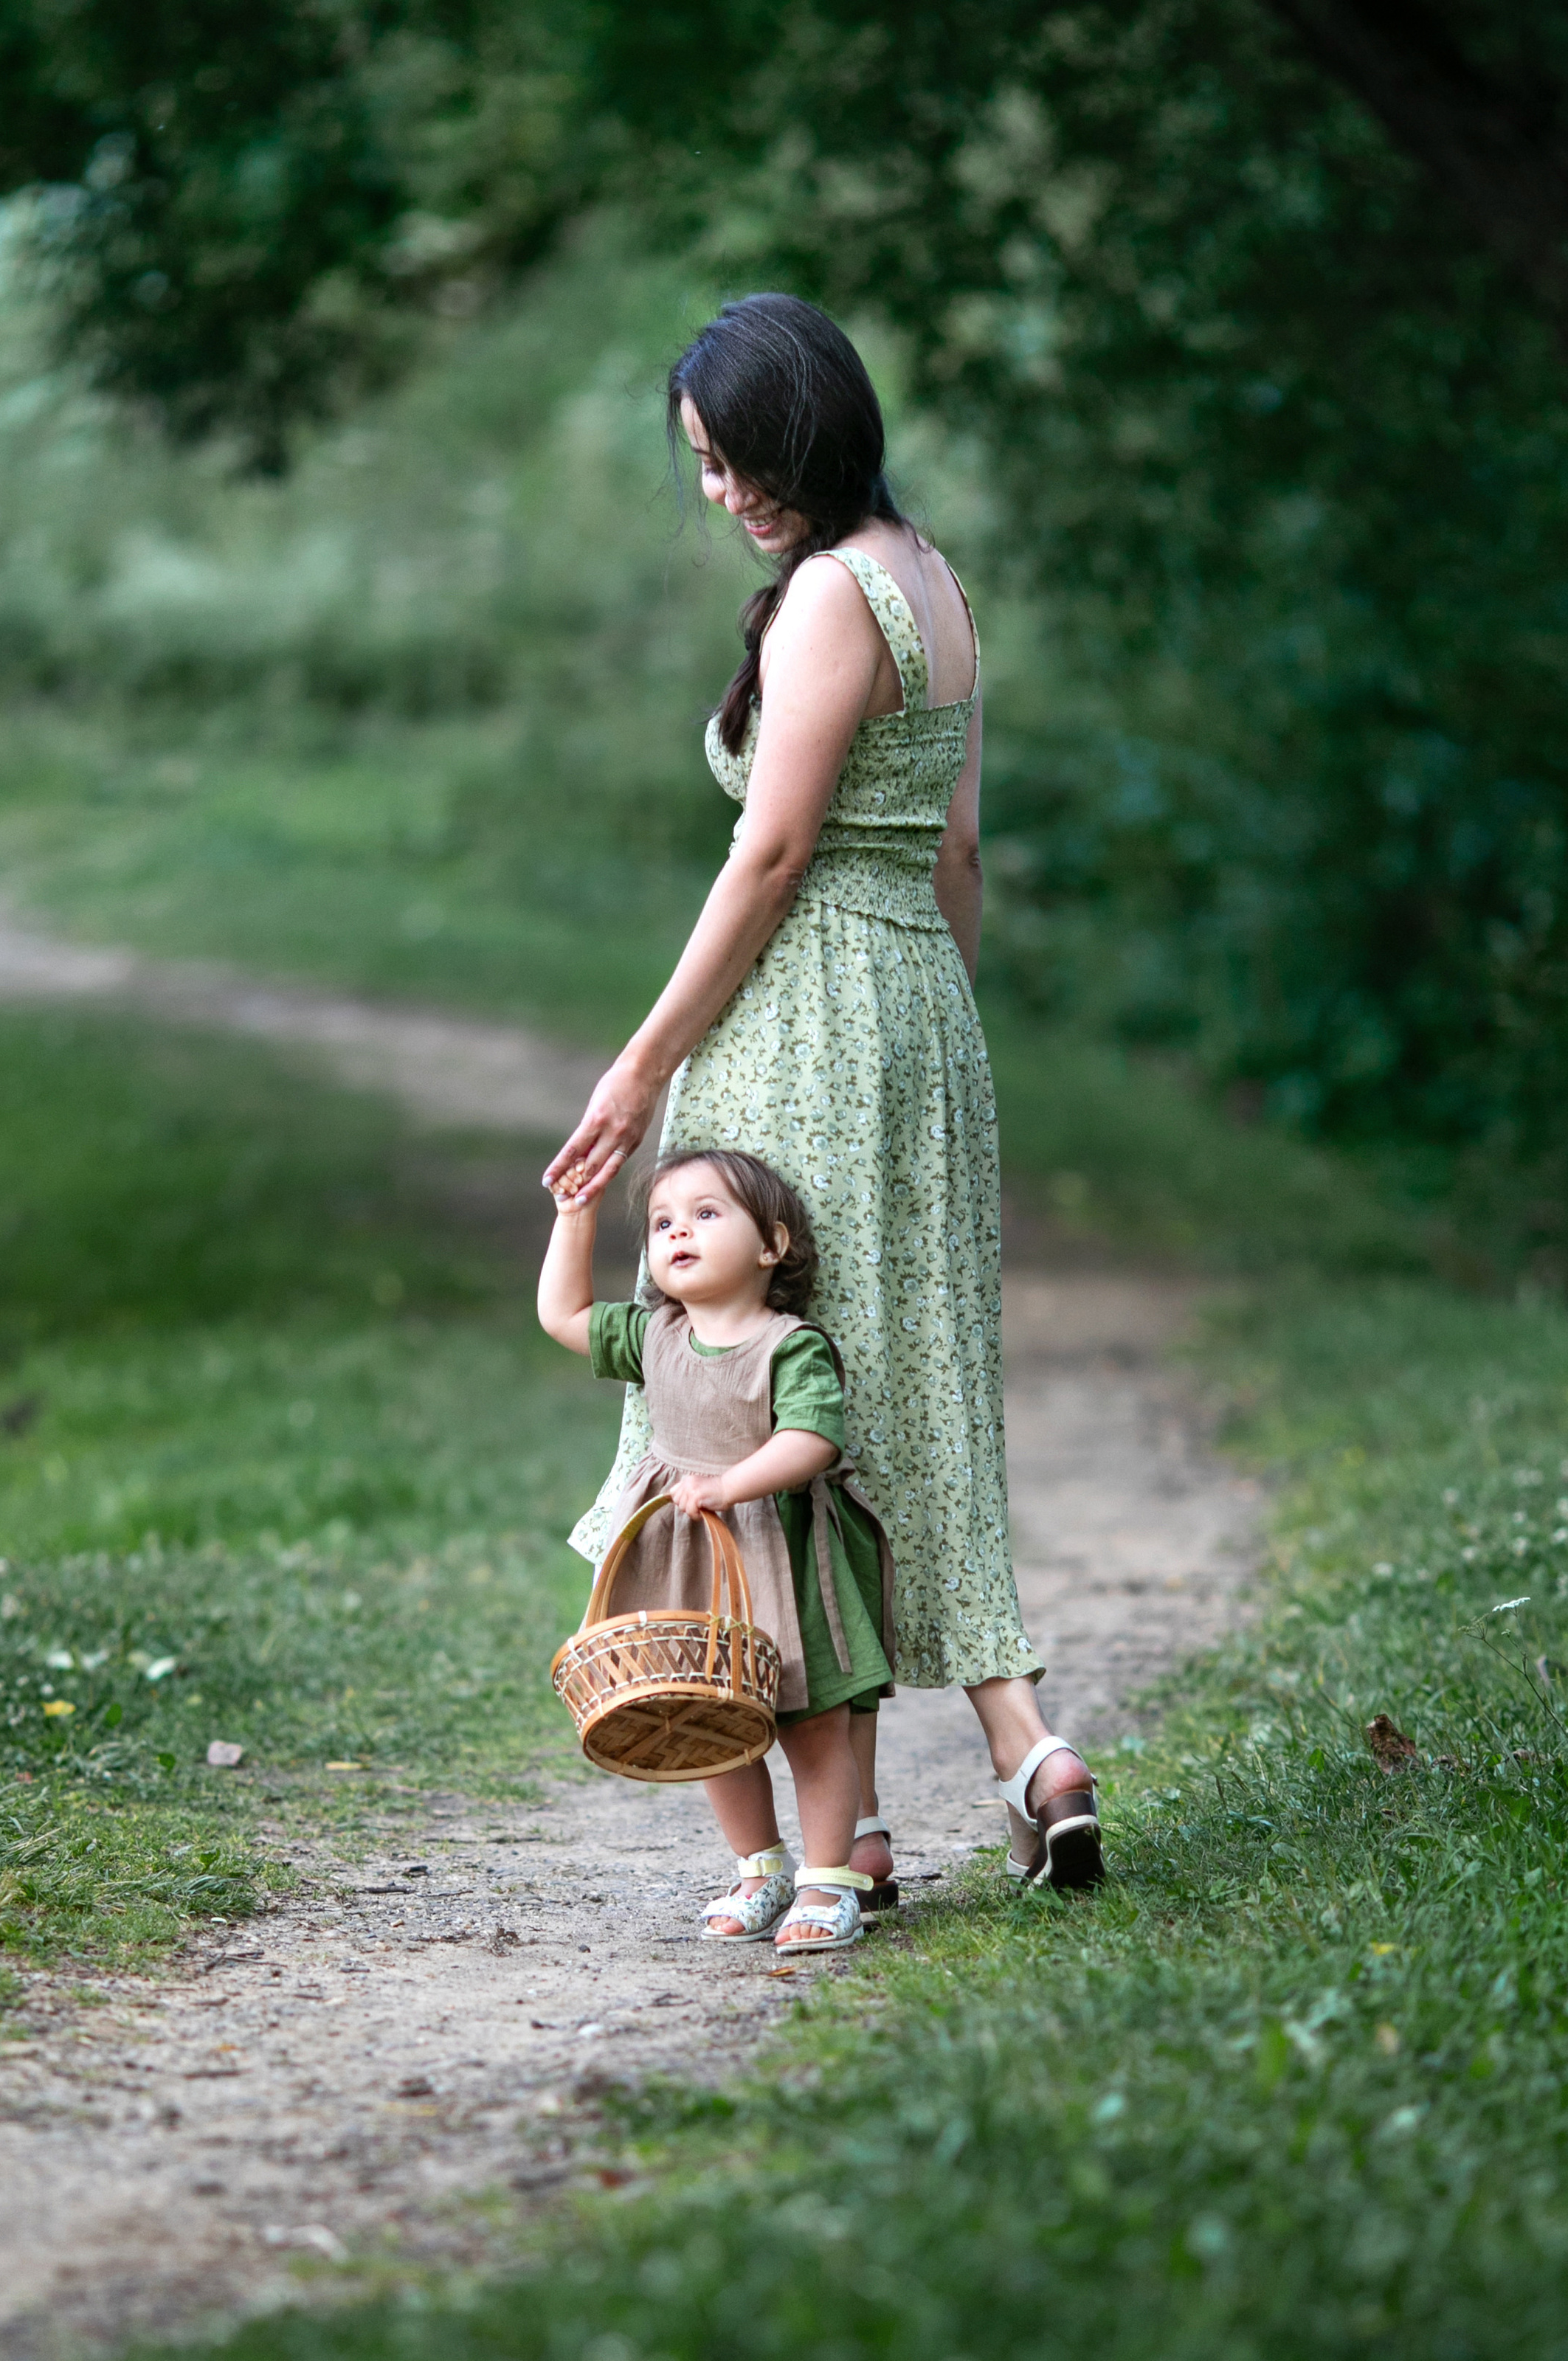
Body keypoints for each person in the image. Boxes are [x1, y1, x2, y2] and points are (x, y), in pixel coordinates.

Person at [546, 293, 1102, 1892]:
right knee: (911, 1377)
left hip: (808, 1012)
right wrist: (945, 1042)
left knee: (764, 1370)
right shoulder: (936, 583)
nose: (722, 492)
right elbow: (958, 852)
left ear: (810, 432)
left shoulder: (827, 599)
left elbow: (774, 851)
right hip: (920, 1006)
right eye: (703, 466)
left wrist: (642, 1060)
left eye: (738, 459)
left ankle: (842, 1815)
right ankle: (1019, 1749)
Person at [539, 1146, 895, 1950]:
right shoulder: (655, 1335)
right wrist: (574, 1216)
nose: (678, 1232)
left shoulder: (788, 1344)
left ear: (771, 1245)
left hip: (781, 1556)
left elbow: (812, 1438)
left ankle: (828, 1879)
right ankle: (759, 1867)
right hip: (691, 1560)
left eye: (706, 1214)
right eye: (662, 1221)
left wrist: (732, 1483)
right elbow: (562, 1316)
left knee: (813, 1724)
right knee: (708, 1715)